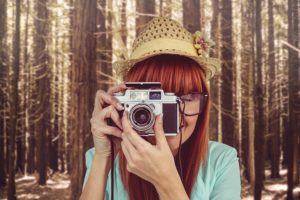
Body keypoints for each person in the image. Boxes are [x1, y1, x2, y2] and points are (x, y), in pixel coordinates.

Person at [80, 17, 241, 200]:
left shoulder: (221, 160)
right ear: (129, 101)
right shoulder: (102, 156)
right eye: (156, 100)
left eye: (188, 97)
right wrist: (104, 158)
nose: (169, 116)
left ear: (204, 104)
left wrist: (166, 181)